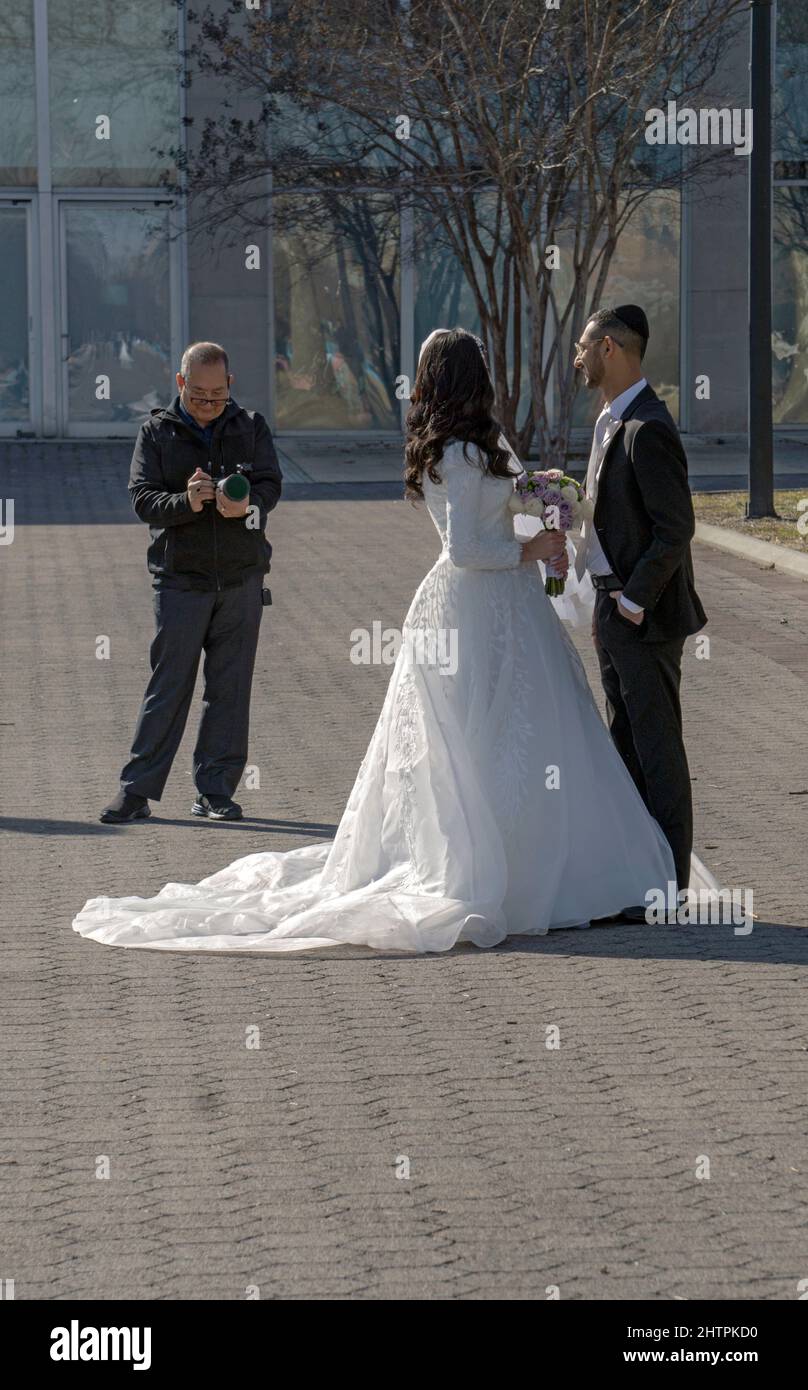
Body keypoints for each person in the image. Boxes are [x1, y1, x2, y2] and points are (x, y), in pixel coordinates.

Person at [75, 328, 706, 956]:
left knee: (523, 732)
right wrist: (529, 549)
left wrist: (536, 488)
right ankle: (501, 870)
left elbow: (498, 498)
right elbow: (464, 549)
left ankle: (563, 866)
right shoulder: (456, 451)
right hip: (469, 604)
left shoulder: (476, 444)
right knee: (474, 739)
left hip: (507, 611)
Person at [99, 341, 283, 825]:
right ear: (181, 384)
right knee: (169, 686)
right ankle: (136, 790)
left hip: (241, 579)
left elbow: (270, 485)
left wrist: (248, 507)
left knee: (230, 688)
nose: (207, 405)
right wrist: (187, 501)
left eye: (217, 396)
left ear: (230, 386)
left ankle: (215, 792)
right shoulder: (157, 432)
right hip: (180, 580)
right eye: (199, 395)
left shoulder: (250, 426)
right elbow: (142, 500)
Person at [573, 306, 707, 906]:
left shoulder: (648, 427)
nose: (576, 357)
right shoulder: (610, 421)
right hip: (613, 610)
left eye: (583, 345)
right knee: (624, 743)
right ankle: (638, 876)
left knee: (656, 748)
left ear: (609, 349)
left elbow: (675, 529)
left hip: (642, 618)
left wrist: (631, 601)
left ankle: (670, 885)